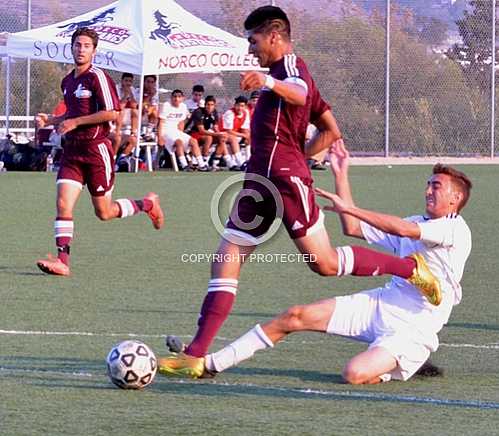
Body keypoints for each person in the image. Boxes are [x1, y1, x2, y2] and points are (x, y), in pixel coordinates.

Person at [157, 6, 440, 377]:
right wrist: (299, 150)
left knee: (322, 263)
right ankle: (195, 355)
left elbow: (299, 91)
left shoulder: (289, 68)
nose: (250, 49)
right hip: (260, 180)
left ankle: (409, 268)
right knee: (227, 256)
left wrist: (270, 88)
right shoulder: (284, 72)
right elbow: (331, 129)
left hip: (285, 179)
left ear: (274, 35)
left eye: (253, 40)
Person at [190, 145, 473, 383]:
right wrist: (342, 174)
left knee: (354, 373)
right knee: (295, 316)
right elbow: (352, 227)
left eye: (436, 186)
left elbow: (403, 231)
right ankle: (211, 364)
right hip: (381, 304)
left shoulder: (455, 228)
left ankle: (395, 365)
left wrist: (351, 207)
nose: (428, 190)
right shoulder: (416, 220)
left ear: (455, 198)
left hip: (415, 327)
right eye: (428, 184)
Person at [35, 27, 164, 277]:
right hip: (72, 152)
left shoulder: (98, 77)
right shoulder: (68, 81)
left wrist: (76, 123)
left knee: (104, 212)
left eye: (86, 46)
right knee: (63, 204)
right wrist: (50, 120)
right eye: (77, 45)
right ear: (71, 47)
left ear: (94, 51)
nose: (81, 49)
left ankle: (148, 204)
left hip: (96, 152)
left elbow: (112, 113)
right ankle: (63, 261)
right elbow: (71, 115)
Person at [157, 89, 208, 171]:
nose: (176, 99)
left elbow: (181, 122)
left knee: (193, 141)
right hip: (165, 132)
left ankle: (202, 165)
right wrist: (160, 137)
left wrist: (181, 134)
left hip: (176, 131)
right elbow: (161, 122)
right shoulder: (166, 105)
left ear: (182, 98)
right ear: (171, 97)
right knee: (179, 142)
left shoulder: (183, 106)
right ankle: (184, 165)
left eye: (179, 97)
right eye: (174, 96)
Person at [186, 95, 229, 170]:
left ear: (214, 105)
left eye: (212, 105)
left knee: (222, 138)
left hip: (203, 133)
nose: (209, 107)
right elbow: (201, 130)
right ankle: (203, 163)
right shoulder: (198, 112)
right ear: (205, 105)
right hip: (192, 133)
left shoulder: (214, 112)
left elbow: (215, 127)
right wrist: (217, 134)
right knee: (208, 138)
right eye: (208, 104)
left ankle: (215, 164)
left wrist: (220, 134)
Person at [220, 95, 251, 170]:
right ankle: (240, 163)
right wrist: (243, 135)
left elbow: (245, 129)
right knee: (233, 139)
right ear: (234, 105)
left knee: (249, 137)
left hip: (234, 133)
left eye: (242, 106)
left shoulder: (246, 113)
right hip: (221, 133)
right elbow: (228, 131)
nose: (240, 108)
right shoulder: (229, 113)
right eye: (238, 105)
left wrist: (247, 135)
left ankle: (249, 160)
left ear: (245, 107)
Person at [112, 72, 139, 157]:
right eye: (126, 80)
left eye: (130, 81)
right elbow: (119, 107)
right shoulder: (116, 88)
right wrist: (126, 95)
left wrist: (130, 93)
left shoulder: (132, 90)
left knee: (134, 111)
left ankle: (122, 159)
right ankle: (114, 157)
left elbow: (134, 105)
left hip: (127, 119)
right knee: (121, 111)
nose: (128, 83)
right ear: (122, 80)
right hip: (116, 119)